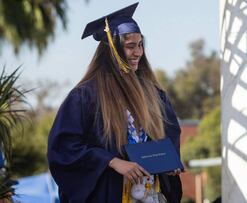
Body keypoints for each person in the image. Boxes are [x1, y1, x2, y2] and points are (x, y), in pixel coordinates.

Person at [47, 3, 182, 203]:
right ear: (113, 49)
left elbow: (170, 134)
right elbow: (64, 147)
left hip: (150, 192)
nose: (138, 52)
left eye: (140, 44)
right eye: (130, 46)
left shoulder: (154, 95)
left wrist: (170, 162)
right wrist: (111, 161)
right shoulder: (85, 97)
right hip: (109, 193)